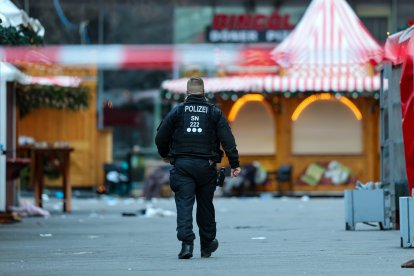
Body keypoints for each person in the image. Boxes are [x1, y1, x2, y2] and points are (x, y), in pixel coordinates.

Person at [155, 77, 241, 259]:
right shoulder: (214, 112)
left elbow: (161, 136)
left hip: (182, 166)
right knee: (205, 205)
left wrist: (165, 154)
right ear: (203, 93)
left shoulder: (177, 112)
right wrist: (234, 163)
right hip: (206, 166)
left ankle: (186, 245)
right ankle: (207, 244)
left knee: (184, 204)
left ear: (187, 93)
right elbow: (228, 140)